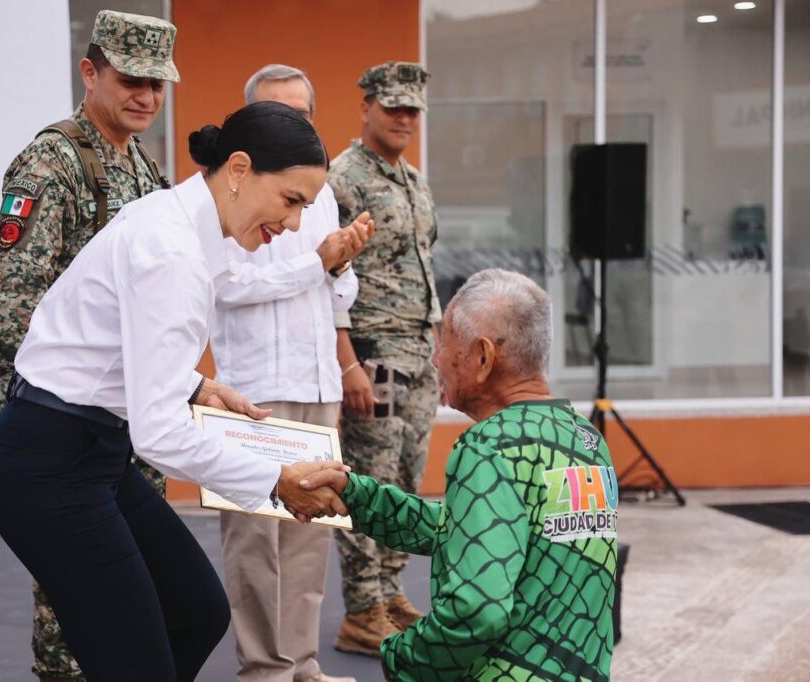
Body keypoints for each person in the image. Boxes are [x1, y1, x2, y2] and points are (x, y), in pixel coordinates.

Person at [0, 101, 350, 681]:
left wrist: (197, 385)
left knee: (196, 612)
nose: (297, 224)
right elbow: (158, 433)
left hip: (90, 450)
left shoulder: (184, 223)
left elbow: (112, 341)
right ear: (237, 168)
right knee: (137, 663)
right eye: (291, 200)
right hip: (49, 465)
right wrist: (273, 483)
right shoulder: (172, 250)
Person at [299, 268, 619, 681]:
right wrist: (359, 498)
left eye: (445, 343)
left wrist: (403, 656)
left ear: (483, 357)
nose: (435, 359)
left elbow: (476, 611)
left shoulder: (490, 446)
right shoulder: (586, 439)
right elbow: (480, 530)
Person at [0, 11, 175, 680]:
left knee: (134, 598)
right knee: (71, 604)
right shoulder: (53, 159)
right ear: (89, 71)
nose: (146, 97)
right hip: (68, 425)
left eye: (157, 85)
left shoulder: (143, 167)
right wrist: (41, 416)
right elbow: (12, 300)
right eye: (131, 80)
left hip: (129, 421)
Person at [212, 64, 371, 682]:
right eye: (280, 112)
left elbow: (340, 294)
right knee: (254, 539)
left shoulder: (322, 190)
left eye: (303, 114)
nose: (294, 124)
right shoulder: (226, 190)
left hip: (316, 385)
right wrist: (317, 262)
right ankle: (263, 669)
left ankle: (302, 664)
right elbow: (227, 287)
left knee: (310, 534)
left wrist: (339, 263)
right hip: (252, 388)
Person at [327, 61, 442, 655]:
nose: (403, 118)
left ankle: (391, 592)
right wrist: (347, 361)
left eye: (412, 110)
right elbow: (328, 277)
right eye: (392, 106)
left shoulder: (413, 178)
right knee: (369, 484)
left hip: (418, 354)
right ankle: (361, 605)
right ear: (366, 106)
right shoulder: (342, 178)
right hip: (373, 353)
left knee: (405, 482)